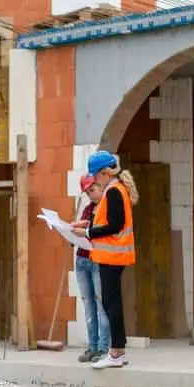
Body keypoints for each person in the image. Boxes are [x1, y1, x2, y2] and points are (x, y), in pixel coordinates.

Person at [72, 150, 138, 370]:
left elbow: (115, 225)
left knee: (111, 304)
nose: (94, 179)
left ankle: (116, 352)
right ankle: (117, 350)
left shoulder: (113, 192)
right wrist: (87, 226)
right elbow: (110, 222)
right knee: (111, 303)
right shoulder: (115, 189)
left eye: (95, 175)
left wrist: (88, 233)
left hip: (113, 255)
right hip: (112, 255)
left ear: (103, 172)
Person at [73, 175, 110, 363]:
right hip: (82, 258)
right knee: (88, 305)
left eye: (92, 190)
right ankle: (92, 346)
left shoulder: (107, 207)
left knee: (102, 304)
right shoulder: (88, 209)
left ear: (100, 186)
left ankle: (104, 348)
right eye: (87, 193)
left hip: (98, 259)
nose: (90, 195)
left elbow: (105, 232)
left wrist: (87, 229)